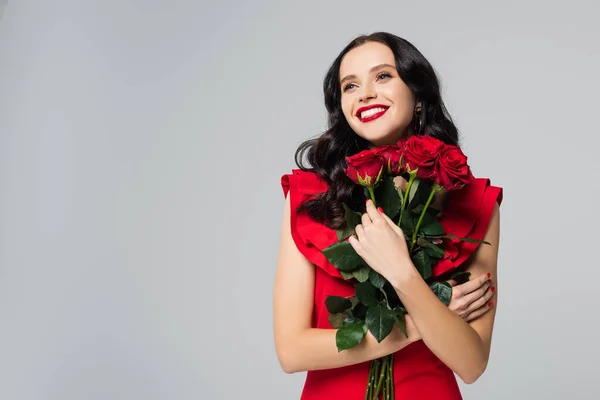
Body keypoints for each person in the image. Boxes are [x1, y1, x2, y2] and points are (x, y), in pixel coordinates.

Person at [273, 32, 503, 399]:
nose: (364, 93)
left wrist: (401, 272)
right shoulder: (310, 197)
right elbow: (291, 351)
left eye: (382, 76)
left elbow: (472, 363)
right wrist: (419, 322)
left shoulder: (473, 202)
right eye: (350, 85)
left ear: (418, 95)